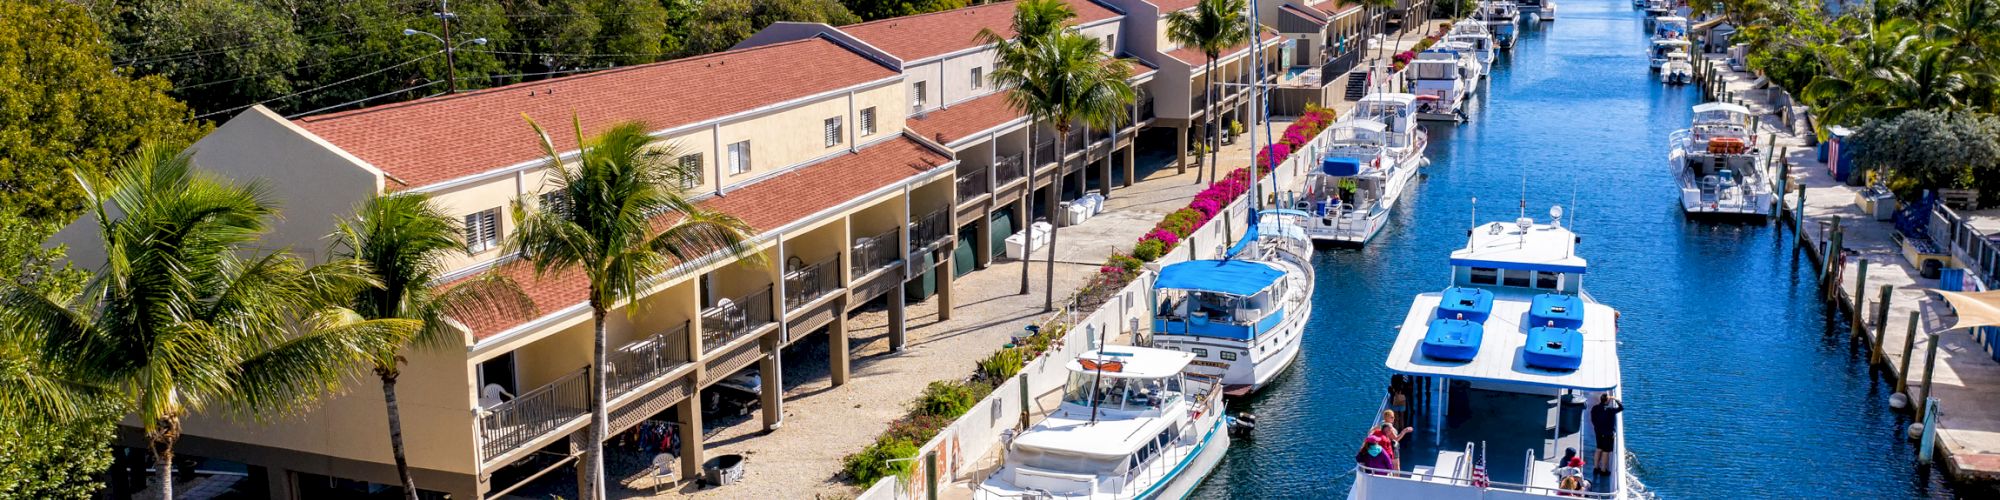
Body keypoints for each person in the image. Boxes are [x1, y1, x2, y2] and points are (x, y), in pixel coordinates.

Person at [1591, 393, 1624, 475]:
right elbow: (1621, 408)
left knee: (1598, 448)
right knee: (1606, 451)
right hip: (1607, 433)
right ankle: (1603, 470)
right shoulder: (1610, 410)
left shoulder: (1595, 408)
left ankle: (1596, 468)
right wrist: (1616, 400)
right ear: (1606, 401)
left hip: (1598, 431)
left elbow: (1593, 419)